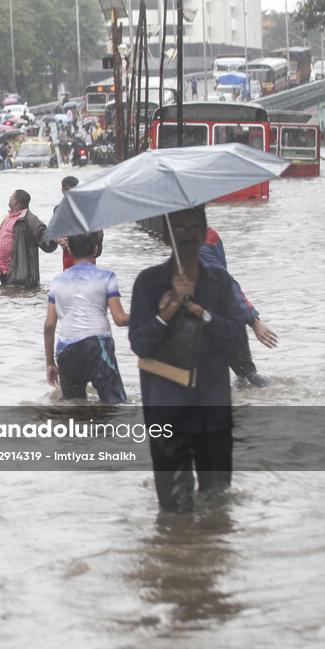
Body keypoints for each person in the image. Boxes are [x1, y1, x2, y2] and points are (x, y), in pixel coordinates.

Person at [128, 205, 247, 513]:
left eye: (194, 228)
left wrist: (201, 313)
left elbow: (235, 333)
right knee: (174, 512)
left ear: (205, 233)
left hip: (213, 409)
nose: (187, 236)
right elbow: (140, 344)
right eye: (179, 229)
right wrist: (168, 310)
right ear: (166, 237)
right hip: (167, 413)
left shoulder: (219, 281)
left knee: (218, 504)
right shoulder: (149, 283)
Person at [44, 232, 129, 403]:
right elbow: (120, 319)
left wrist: (50, 363)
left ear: (70, 250)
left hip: (67, 350)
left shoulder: (57, 281)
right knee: (115, 405)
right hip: (98, 345)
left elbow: (49, 327)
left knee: (75, 407)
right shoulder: (107, 277)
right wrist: (151, 314)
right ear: (95, 249)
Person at [201, 227, 278, 387]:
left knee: (246, 379)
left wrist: (253, 320)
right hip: (228, 318)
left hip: (213, 321)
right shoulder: (209, 233)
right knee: (247, 378)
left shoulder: (198, 245)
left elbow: (225, 282)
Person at [0, 189, 58, 289]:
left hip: (20, 275)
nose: (10, 197)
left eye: (12, 196)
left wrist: (53, 238)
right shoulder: (8, 217)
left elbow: (43, 235)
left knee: (21, 299)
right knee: (7, 299)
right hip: (4, 272)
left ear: (17, 201)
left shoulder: (29, 219)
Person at [55, 176, 104, 270]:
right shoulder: (58, 210)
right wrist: (60, 240)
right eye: (67, 190)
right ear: (62, 191)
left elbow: (99, 234)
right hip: (68, 258)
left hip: (87, 255)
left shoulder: (89, 209)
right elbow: (55, 233)